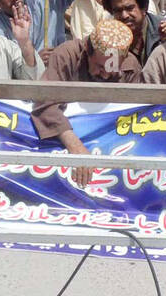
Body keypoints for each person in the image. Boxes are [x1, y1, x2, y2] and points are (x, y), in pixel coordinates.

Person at [32, 18, 141, 187]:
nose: (105, 75)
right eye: (100, 67)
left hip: (114, 148)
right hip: (66, 144)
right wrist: (76, 147)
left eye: (112, 70)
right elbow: (45, 103)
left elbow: (135, 115)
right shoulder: (66, 55)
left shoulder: (131, 66)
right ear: (87, 51)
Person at [102, 0, 166, 66]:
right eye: (118, 10)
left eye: (129, 8)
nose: (124, 15)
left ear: (144, 8)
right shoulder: (107, 38)